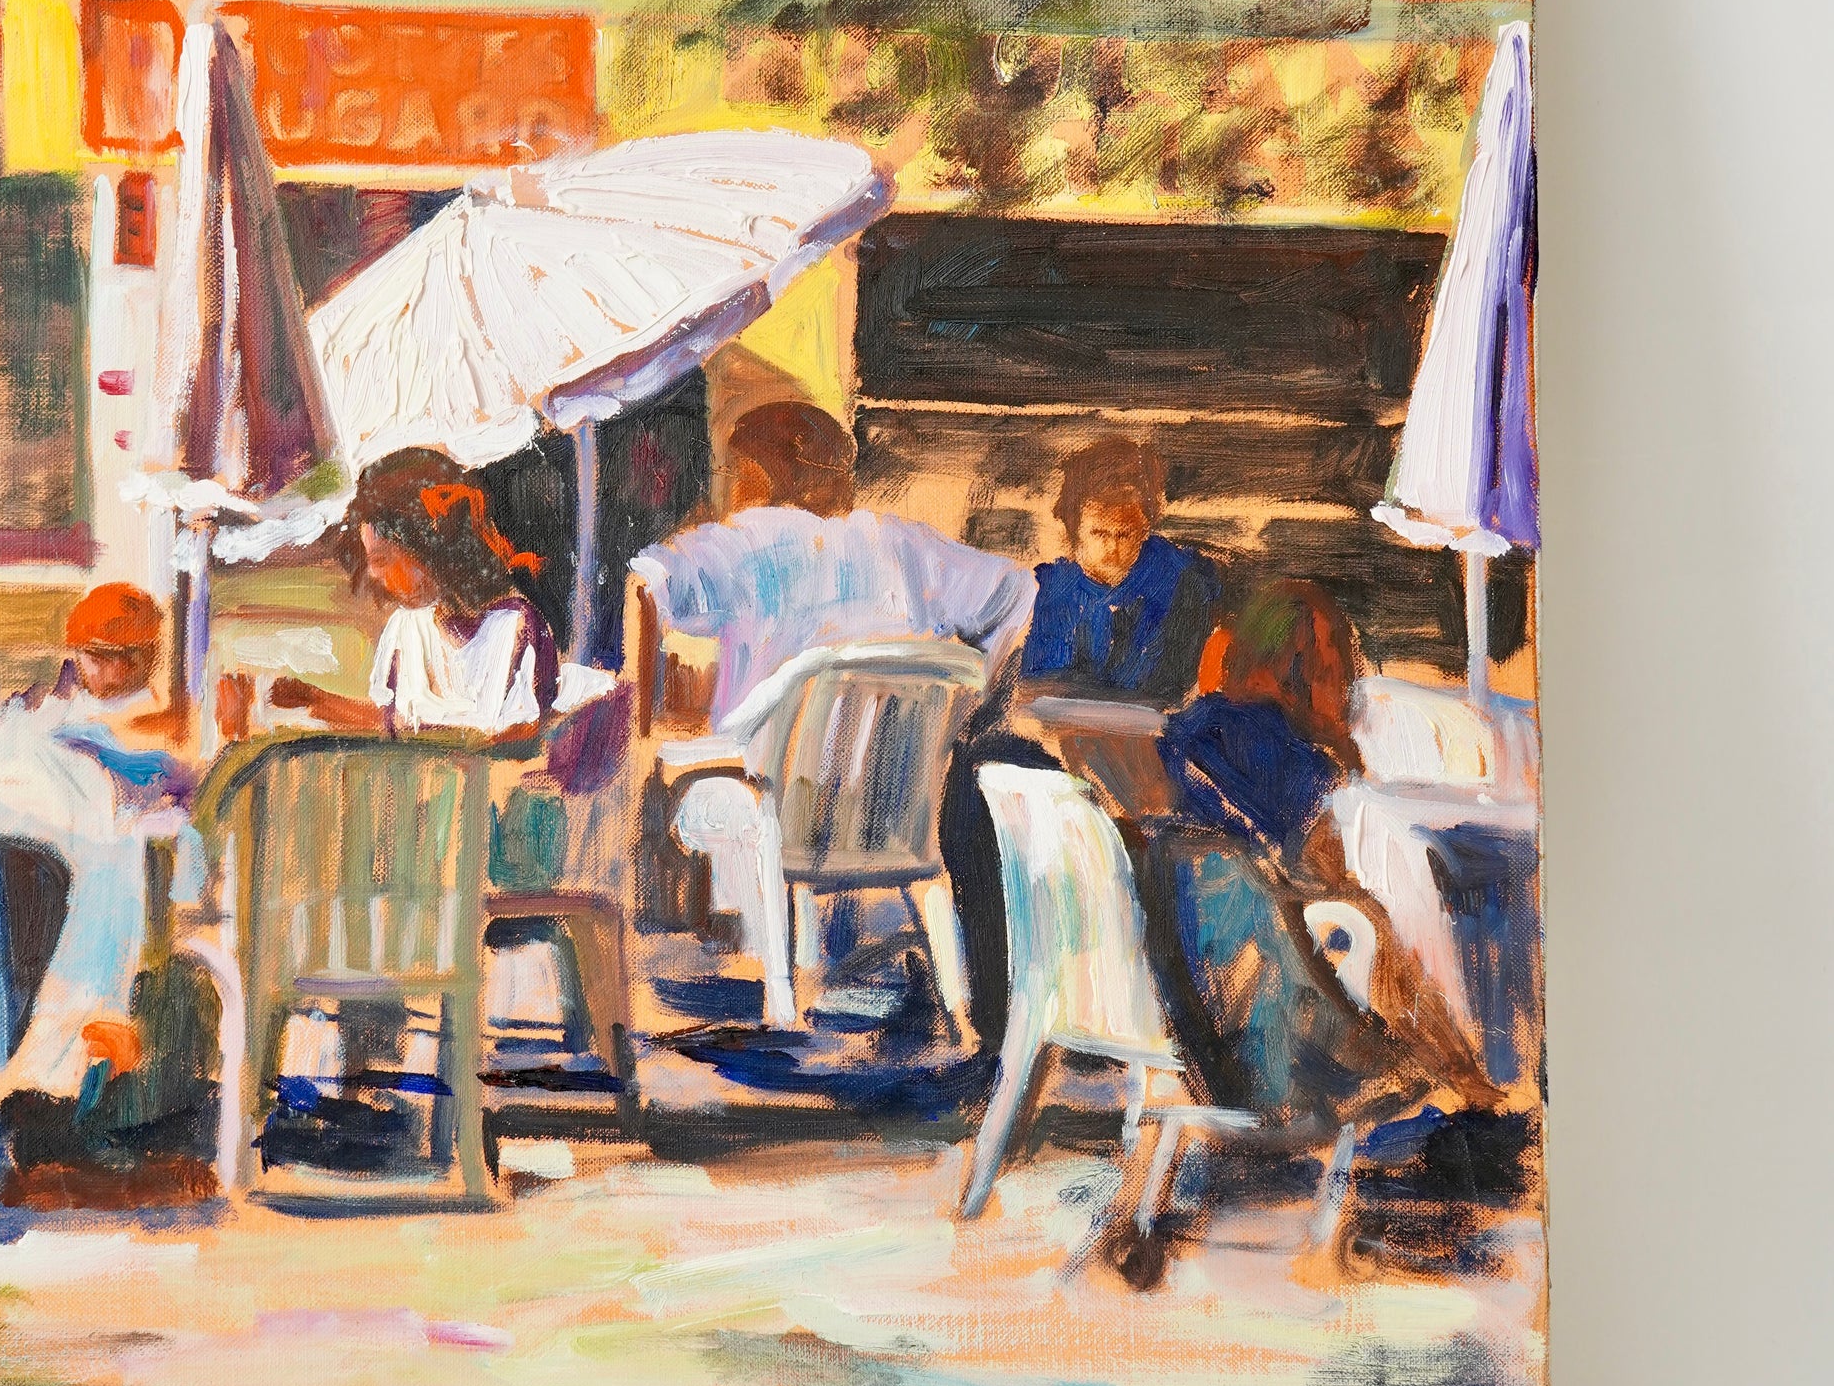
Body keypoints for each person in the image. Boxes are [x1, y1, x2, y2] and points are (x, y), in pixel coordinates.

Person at [628, 401, 1034, 994]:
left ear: (762, 471)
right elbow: (1018, 593)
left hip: (774, 808)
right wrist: (967, 708)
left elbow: (646, 585)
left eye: (733, 469)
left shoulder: (742, 542)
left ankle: (758, 964)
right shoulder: (902, 545)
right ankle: (919, 987)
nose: (728, 485)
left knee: (680, 789)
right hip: (892, 814)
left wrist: (642, 722)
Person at [1139, 579, 1493, 1131]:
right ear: (1313, 672)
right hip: (1278, 1048)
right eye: (1340, 667)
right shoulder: (1296, 764)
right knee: (1371, 919)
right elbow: (1331, 882)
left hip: (1196, 1021)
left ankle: (1462, 1080)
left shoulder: (1180, 736)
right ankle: (1469, 1081)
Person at [0, 584, 200, 1171]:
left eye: (126, 657)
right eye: (97, 655)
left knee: (78, 872)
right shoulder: (46, 707)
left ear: (148, 657)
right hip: (21, 837)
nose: (111, 670)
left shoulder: (147, 719)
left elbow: (164, 764)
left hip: (62, 842)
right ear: (76, 653)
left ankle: (24, 1085)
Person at [265, 452, 558, 739]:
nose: (373, 574)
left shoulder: (512, 625)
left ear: (426, 548)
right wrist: (313, 700)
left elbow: (519, 736)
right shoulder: (407, 626)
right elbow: (392, 724)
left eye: (381, 559)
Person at [1019, 434, 1220, 703]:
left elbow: (1170, 691)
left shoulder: (1181, 584)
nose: (1112, 548)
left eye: (1124, 534)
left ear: (1145, 528)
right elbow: (1036, 682)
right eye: (1099, 533)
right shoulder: (1053, 585)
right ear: (1074, 528)